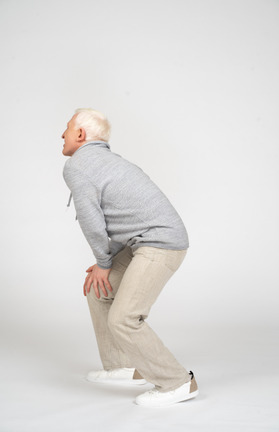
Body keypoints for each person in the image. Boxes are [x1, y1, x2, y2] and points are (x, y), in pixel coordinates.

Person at [61, 108, 198, 407]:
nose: (62, 134)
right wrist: (105, 264)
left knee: (124, 318)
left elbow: (91, 220)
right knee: (99, 291)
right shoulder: (108, 161)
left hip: (161, 244)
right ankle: (122, 365)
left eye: (67, 128)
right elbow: (124, 219)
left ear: (81, 135)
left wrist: (102, 261)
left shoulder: (78, 165)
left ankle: (177, 381)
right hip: (145, 241)